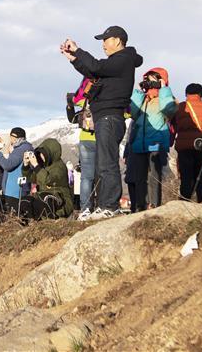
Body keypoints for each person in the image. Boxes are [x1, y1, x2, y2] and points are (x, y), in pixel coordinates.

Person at [62, 26, 143, 219]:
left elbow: (97, 67)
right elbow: (94, 73)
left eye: (105, 40)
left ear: (117, 40)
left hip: (110, 117)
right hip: (104, 118)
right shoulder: (117, 63)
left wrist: (78, 51)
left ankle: (110, 206)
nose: (103, 45)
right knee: (102, 165)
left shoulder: (123, 59)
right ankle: (105, 205)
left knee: (107, 164)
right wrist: (74, 59)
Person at [128, 67, 176, 212]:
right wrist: (138, 92)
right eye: (147, 80)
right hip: (139, 144)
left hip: (156, 143)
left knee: (154, 177)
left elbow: (170, 110)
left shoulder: (164, 98)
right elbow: (132, 113)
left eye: (153, 80)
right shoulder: (142, 99)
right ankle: (140, 206)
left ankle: (154, 205)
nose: (149, 83)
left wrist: (164, 89)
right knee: (139, 178)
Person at [172, 83, 202, 203]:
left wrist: (170, 141)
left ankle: (184, 203)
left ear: (186, 94)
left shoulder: (180, 107)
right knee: (201, 176)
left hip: (184, 147)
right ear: (201, 94)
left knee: (186, 177)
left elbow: (173, 126)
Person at [66, 77, 98, 219]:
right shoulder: (106, 97)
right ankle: (102, 205)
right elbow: (127, 113)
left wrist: (69, 102)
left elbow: (72, 105)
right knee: (103, 174)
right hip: (102, 138)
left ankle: (85, 208)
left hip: (85, 139)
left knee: (86, 177)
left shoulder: (84, 99)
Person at [20, 139, 74, 220]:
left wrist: (36, 166)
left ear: (50, 154)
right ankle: (31, 224)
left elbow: (48, 180)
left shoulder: (60, 167)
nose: (41, 157)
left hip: (61, 200)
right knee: (25, 201)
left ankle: (50, 223)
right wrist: (26, 165)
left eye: (43, 154)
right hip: (42, 197)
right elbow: (31, 178)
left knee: (45, 197)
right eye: (39, 154)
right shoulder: (43, 166)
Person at [0, 127, 33, 212]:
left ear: (14, 137)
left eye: (10, 137)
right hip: (18, 190)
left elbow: (8, 165)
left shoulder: (20, 150)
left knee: (13, 217)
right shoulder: (25, 148)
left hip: (14, 191)